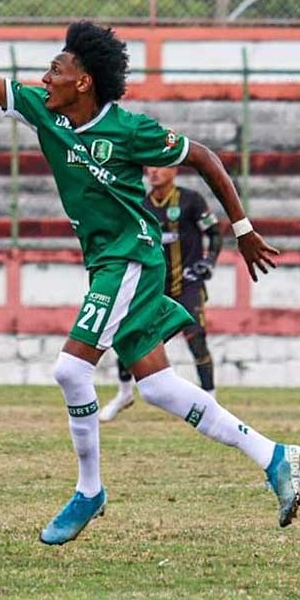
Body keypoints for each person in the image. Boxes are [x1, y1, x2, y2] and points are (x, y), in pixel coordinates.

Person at [0, 0, 300, 545]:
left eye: (57, 67)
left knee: (70, 369)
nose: (46, 74)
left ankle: (89, 490)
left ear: (83, 82)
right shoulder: (46, 113)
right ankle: (272, 454)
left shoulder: (130, 129)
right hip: (112, 260)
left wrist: (244, 227)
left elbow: (203, 156)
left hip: (130, 258)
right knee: (155, 385)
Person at [101, 166, 222, 421]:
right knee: (129, 337)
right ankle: (124, 393)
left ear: (174, 170)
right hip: (152, 284)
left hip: (187, 282)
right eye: (148, 169)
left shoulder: (191, 200)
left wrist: (209, 261)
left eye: (159, 167)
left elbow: (214, 232)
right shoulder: (140, 204)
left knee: (197, 338)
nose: (153, 172)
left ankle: (211, 399)